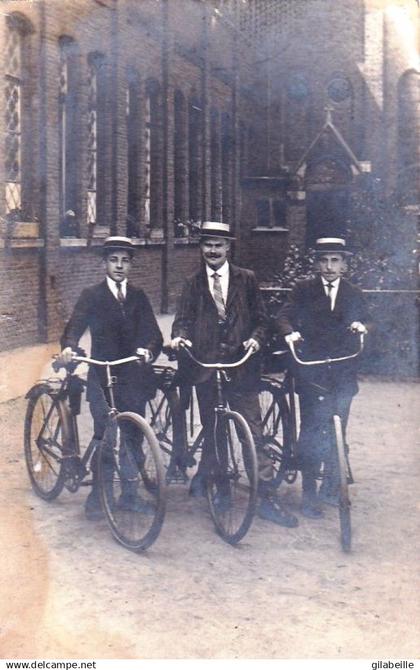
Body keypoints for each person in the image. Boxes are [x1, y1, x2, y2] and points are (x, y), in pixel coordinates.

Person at [170, 221, 298, 528]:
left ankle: (267, 496)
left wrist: (256, 338)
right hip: (206, 367)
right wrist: (179, 336)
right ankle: (220, 489)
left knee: (252, 433)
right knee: (214, 434)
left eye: (219, 244)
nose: (213, 250)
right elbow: (182, 320)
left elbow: (263, 320)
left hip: (241, 368)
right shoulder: (192, 283)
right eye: (207, 245)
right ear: (201, 248)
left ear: (229, 247)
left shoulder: (247, 279)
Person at [58, 236, 163, 520]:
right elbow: (74, 326)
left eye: (125, 261)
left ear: (131, 265)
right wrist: (69, 347)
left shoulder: (138, 296)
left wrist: (148, 350)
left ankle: (129, 495)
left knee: (133, 436)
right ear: (104, 263)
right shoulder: (91, 295)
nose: (119, 266)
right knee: (106, 435)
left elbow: (154, 334)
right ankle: (98, 495)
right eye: (114, 260)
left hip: (132, 376)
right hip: (101, 375)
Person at [276, 237, 371, 518]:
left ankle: (332, 484)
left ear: (344, 264)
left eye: (335, 260)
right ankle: (309, 494)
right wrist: (289, 331)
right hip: (312, 369)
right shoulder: (303, 290)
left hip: (342, 370)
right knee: (311, 431)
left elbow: (369, 320)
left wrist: (361, 326)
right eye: (324, 260)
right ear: (316, 263)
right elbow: (283, 315)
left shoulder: (354, 293)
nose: (329, 267)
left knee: (338, 430)